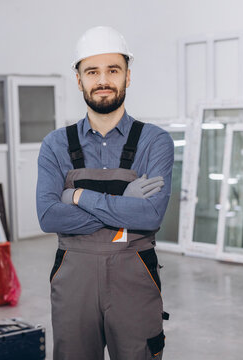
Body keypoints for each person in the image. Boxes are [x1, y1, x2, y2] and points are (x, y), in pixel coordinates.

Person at [36, 26, 174, 360]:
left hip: (135, 276)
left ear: (128, 76)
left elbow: (150, 215)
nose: (103, 80)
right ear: (79, 79)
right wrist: (123, 203)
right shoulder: (55, 144)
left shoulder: (155, 141)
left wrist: (78, 196)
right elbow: (48, 216)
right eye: (92, 71)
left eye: (113, 70)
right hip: (73, 281)